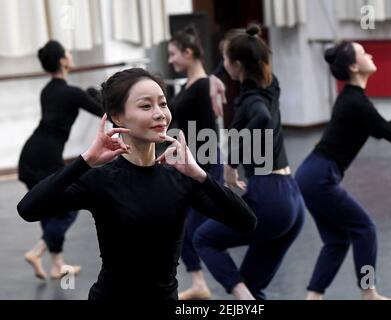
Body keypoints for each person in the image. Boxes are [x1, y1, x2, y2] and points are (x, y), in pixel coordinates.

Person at [17, 68, 257, 300]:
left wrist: (201, 176)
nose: (160, 113)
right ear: (117, 116)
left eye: (162, 103)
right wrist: (86, 160)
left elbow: (246, 222)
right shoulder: (100, 180)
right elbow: (28, 209)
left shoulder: (181, 180)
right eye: (145, 106)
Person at [295, 41, 391, 300]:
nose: (371, 54)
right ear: (355, 67)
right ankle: (369, 293)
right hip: (320, 176)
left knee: (337, 240)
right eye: (364, 53)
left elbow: (383, 130)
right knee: (364, 229)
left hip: (311, 174)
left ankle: (313, 297)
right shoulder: (356, 102)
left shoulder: (353, 100)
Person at [193, 25, 305, 300]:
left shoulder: (253, 99)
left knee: (204, 239)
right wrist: (216, 77)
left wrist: (232, 162)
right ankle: (249, 297)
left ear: (237, 64)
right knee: (254, 286)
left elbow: (262, 119)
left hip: (269, 196)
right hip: (291, 198)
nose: (222, 64)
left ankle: (244, 298)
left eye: (225, 59)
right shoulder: (270, 84)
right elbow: (241, 61)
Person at [18, 40, 103, 280]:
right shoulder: (72, 93)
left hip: (29, 155)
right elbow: (103, 112)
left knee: (47, 207)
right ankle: (38, 251)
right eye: (67, 52)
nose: (70, 54)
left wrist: (87, 95)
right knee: (70, 206)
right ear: (63, 61)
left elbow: (68, 104)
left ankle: (57, 265)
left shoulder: (48, 90)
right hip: (46, 157)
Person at [168, 26, 223, 300]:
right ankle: (199, 282)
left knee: (194, 228)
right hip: (189, 163)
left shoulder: (203, 85)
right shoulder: (193, 84)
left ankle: (230, 284)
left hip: (203, 164)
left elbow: (208, 131)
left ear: (189, 53)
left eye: (174, 54)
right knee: (181, 225)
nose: (170, 60)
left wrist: (202, 169)